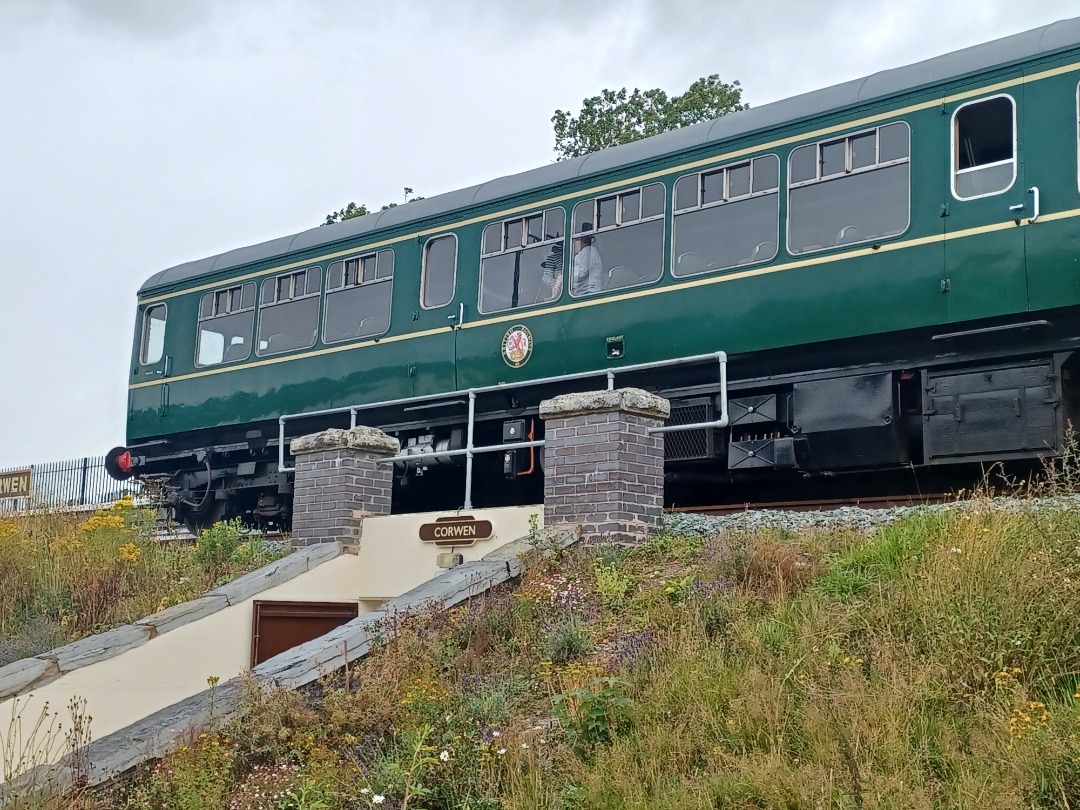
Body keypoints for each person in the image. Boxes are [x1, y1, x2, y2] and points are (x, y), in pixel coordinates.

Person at [571, 223, 603, 295]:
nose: (574, 243)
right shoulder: (582, 253)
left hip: (589, 291)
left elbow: (582, 272)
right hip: (583, 291)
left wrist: (565, 278)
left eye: (576, 240)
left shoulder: (587, 250)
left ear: (582, 240)